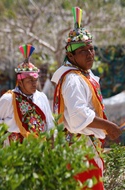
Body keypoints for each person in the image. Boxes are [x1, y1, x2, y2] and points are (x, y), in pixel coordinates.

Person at [51, 7, 121, 190]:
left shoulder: (83, 75)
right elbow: (77, 116)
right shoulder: (73, 79)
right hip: (80, 149)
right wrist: (108, 126)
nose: (89, 53)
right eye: (82, 50)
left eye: (91, 48)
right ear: (70, 55)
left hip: (84, 147)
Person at [0, 44, 54, 146]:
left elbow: (49, 125)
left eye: (35, 80)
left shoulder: (42, 97)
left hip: (38, 148)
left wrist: (52, 152)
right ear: (20, 82)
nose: (34, 84)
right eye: (30, 81)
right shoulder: (8, 99)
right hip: (15, 150)